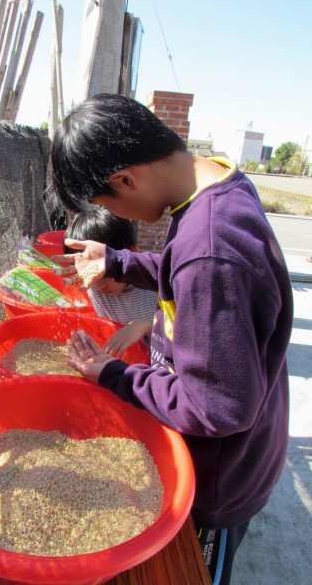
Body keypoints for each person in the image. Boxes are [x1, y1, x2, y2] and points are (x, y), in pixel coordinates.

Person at [50, 93, 293, 585]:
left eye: (106, 203)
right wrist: (118, 262)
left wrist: (114, 374)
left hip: (219, 478)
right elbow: (187, 272)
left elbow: (218, 407)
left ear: (126, 179)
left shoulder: (210, 247)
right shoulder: (214, 188)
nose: (130, 219)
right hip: (228, 451)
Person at [63, 207, 157, 356]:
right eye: (90, 277)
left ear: (131, 254)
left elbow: (179, 339)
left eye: (104, 273)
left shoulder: (154, 285)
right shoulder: (95, 288)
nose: (100, 286)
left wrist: (145, 326)